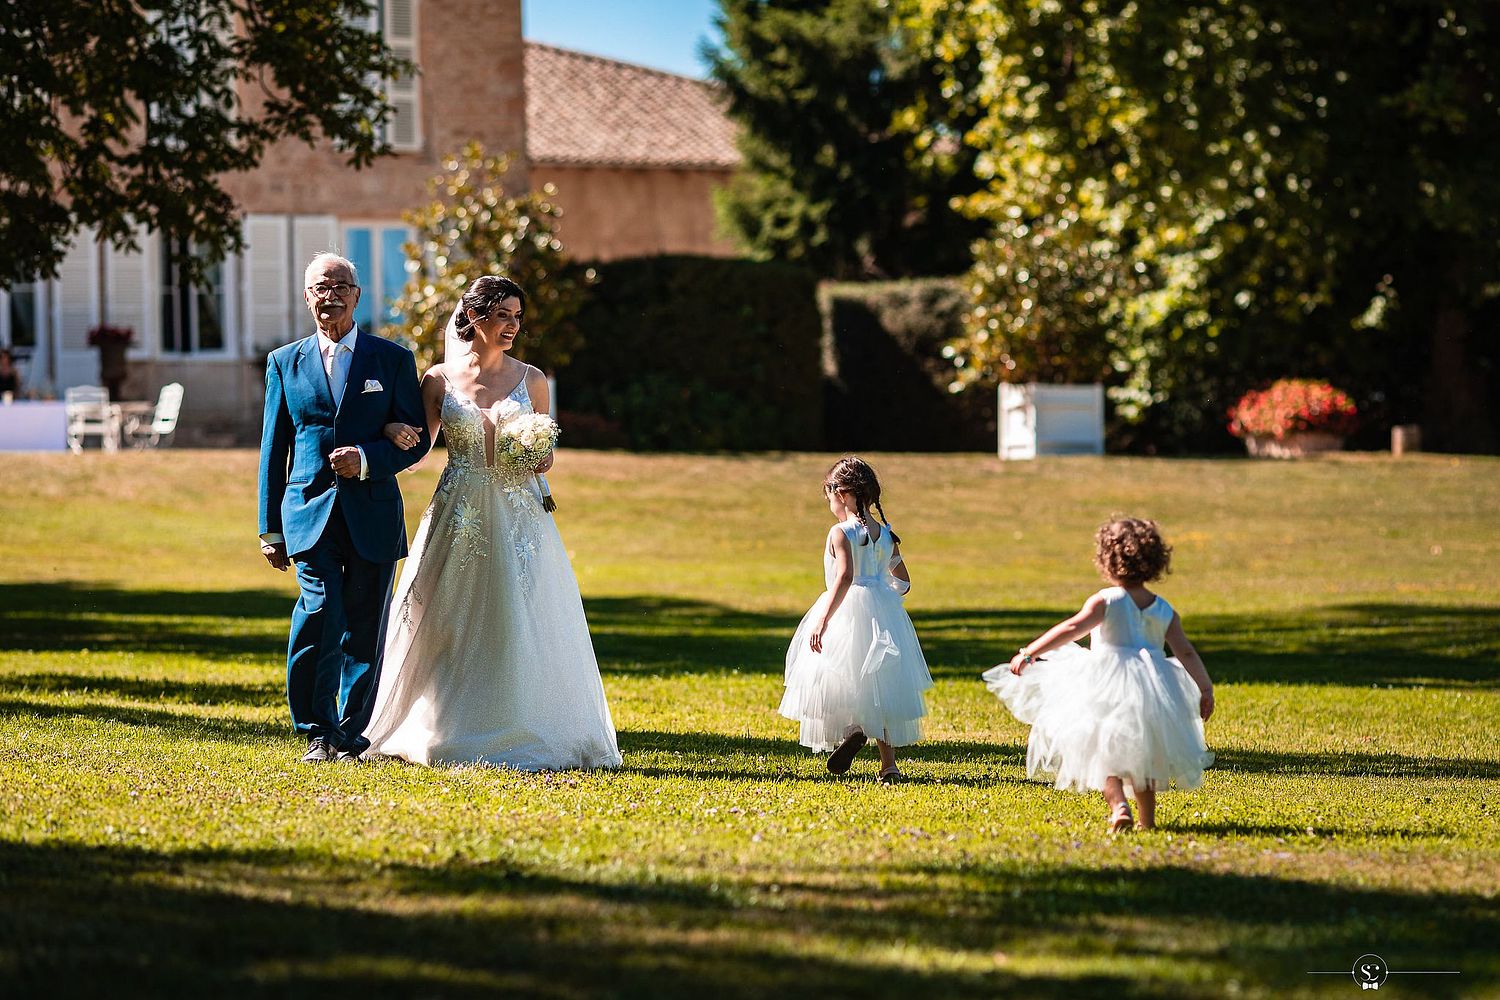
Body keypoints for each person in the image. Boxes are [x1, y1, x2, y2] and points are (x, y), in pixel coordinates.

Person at [362, 274, 621, 770]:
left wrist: (538, 455)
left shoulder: (534, 380)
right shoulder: (437, 381)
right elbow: (418, 451)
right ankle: (445, 721)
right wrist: (393, 430)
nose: (511, 326)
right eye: (502, 315)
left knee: (518, 615)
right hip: (457, 512)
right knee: (443, 617)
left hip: (518, 515)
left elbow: (547, 456)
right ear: (474, 318)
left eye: (517, 317)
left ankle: (522, 719)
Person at [258, 253, 429, 764]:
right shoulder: (284, 362)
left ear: (357, 295)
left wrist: (369, 459)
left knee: (364, 627)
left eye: (339, 286)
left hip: (373, 514)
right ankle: (316, 729)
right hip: (308, 513)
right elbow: (274, 448)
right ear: (306, 297)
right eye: (318, 287)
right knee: (320, 614)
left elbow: (415, 440)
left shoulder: (391, 360)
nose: (328, 295)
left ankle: (352, 735)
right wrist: (270, 529)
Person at [983, 517, 1215, 832]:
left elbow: (1071, 628)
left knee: (1103, 751)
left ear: (1107, 559)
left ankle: (1119, 806)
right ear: (1155, 562)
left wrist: (1030, 651)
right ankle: (1148, 822)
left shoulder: (1106, 600)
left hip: (1104, 684)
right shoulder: (1164, 609)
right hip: (1152, 686)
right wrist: (1205, 688)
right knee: (1144, 756)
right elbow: (1185, 652)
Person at [779, 456, 933, 784]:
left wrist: (822, 620)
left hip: (846, 611)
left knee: (843, 677)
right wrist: (881, 591)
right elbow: (904, 583)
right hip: (883, 613)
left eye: (830, 495)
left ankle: (854, 730)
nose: (830, 503)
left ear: (844, 493)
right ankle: (888, 765)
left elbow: (844, 576)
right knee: (882, 685)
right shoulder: (885, 534)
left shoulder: (840, 532)